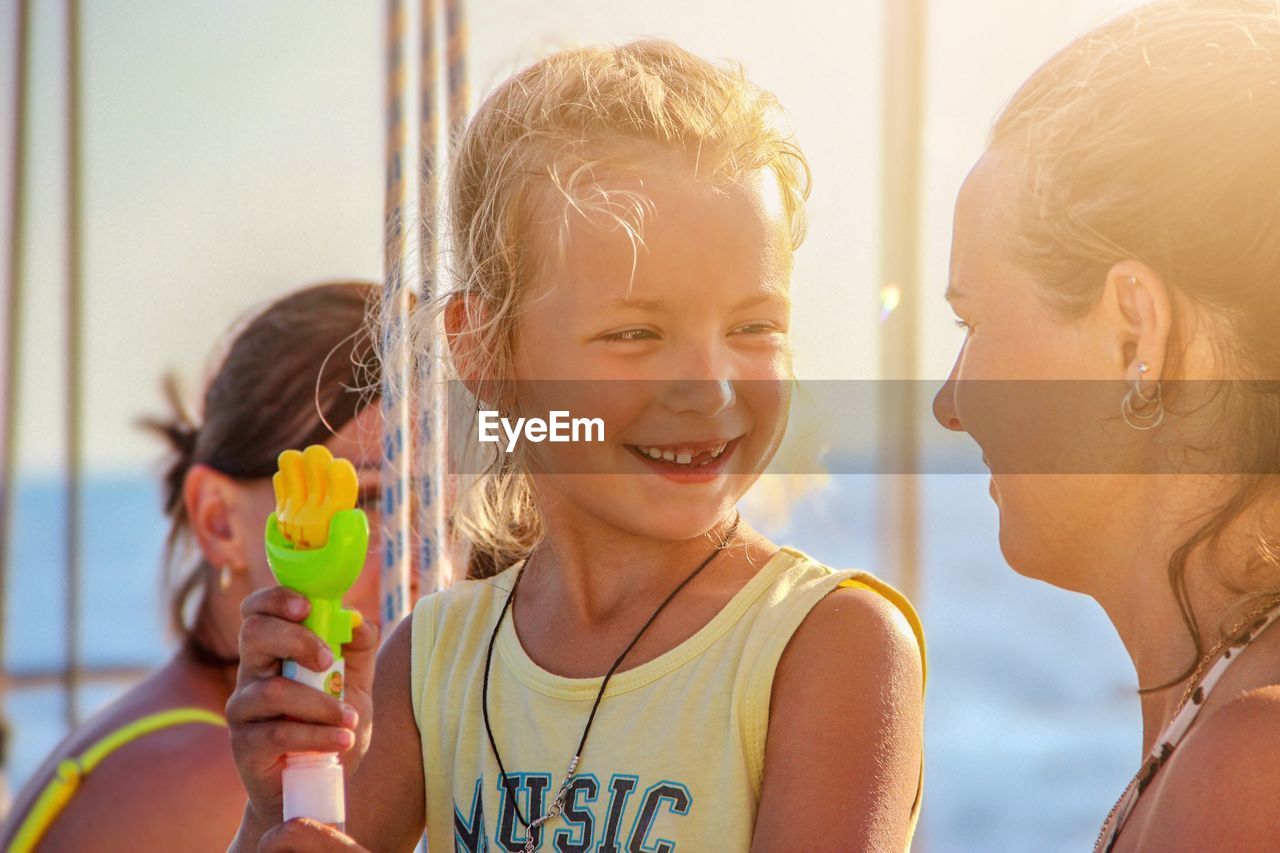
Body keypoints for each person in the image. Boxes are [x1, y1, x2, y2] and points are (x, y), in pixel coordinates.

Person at [227, 40, 926, 853]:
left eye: (753, 327)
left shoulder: (827, 645)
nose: (708, 388)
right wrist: (277, 806)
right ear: (483, 348)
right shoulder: (430, 660)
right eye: (635, 332)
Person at [932, 1, 1280, 849]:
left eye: (971, 324)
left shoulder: (1250, 768)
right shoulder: (1221, 725)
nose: (948, 402)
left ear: (1135, 330)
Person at [1, 282, 386, 851]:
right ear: (219, 522)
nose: (420, 555)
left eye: (444, 504)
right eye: (367, 499)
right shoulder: (223, 785)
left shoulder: (174, 730)